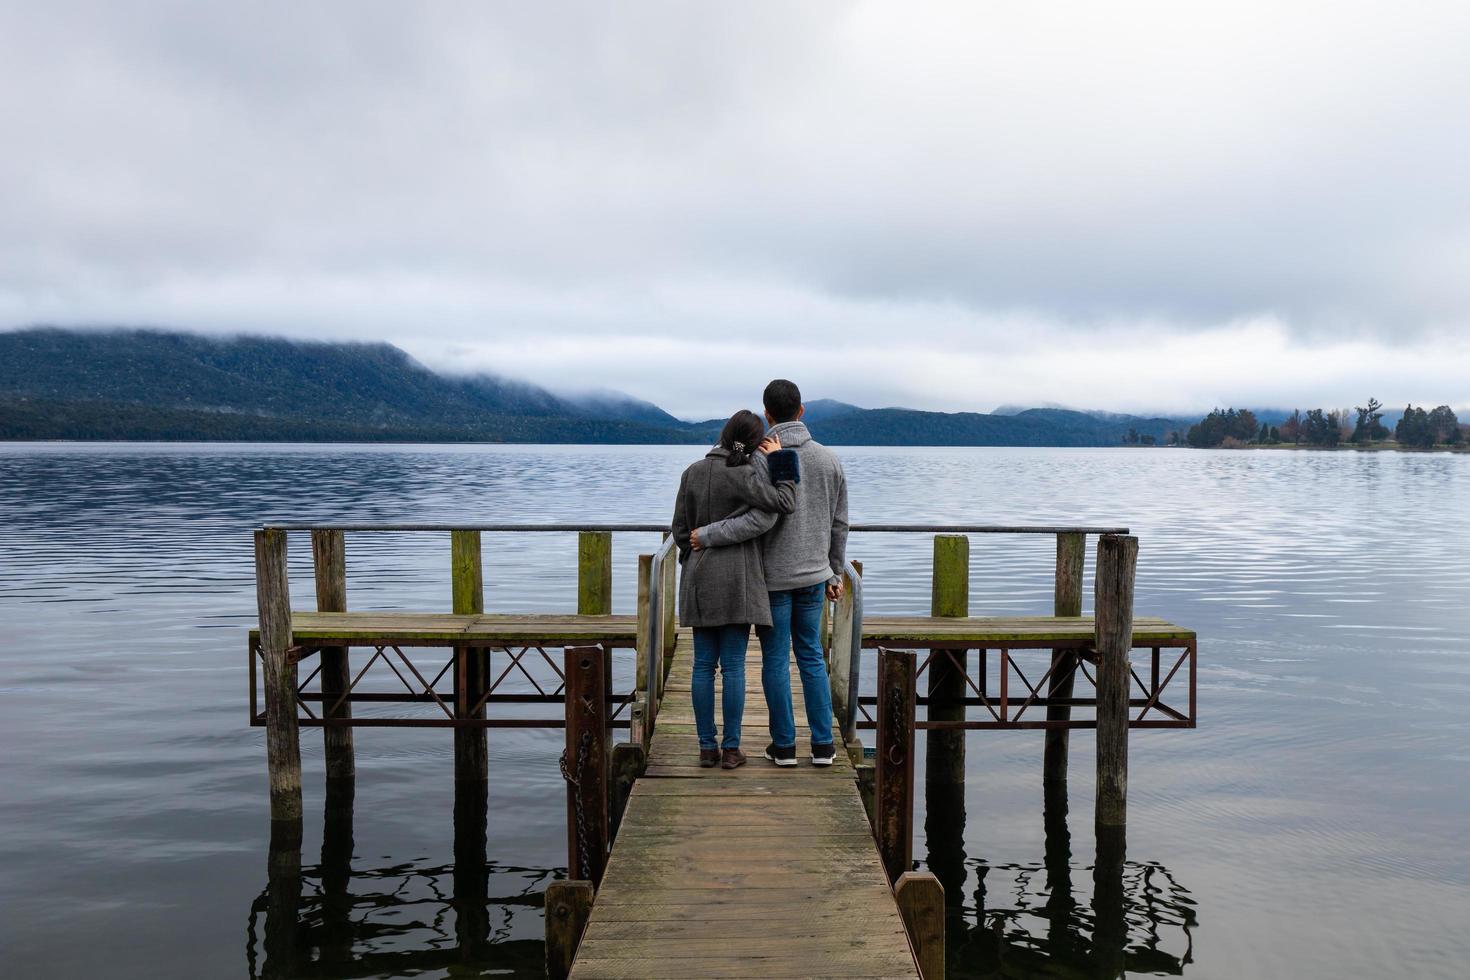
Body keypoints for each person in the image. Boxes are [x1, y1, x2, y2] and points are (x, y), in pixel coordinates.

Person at [692, 379, 849, 767]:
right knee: (812, 657)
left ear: (767, 413)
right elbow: (839, 523)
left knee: (776, 661)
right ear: (802, 410)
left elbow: (756, 520)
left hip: (772, 579)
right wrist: (834, 572)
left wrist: (706, 535)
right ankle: (824, 746)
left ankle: (784, 748)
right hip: (814, 576)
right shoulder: (830, 459)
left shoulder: (758, 459)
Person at [670, 410, 794, 770]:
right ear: (756, 444)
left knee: (702, 666)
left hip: (698, 576)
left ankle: (705, 747)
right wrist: (780, 460)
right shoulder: (745, 474)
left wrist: (695, 556)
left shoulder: (691, 472)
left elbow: (680, 531)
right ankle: (731, 749)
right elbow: (784, 503)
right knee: (735, 666)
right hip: (738, 579)